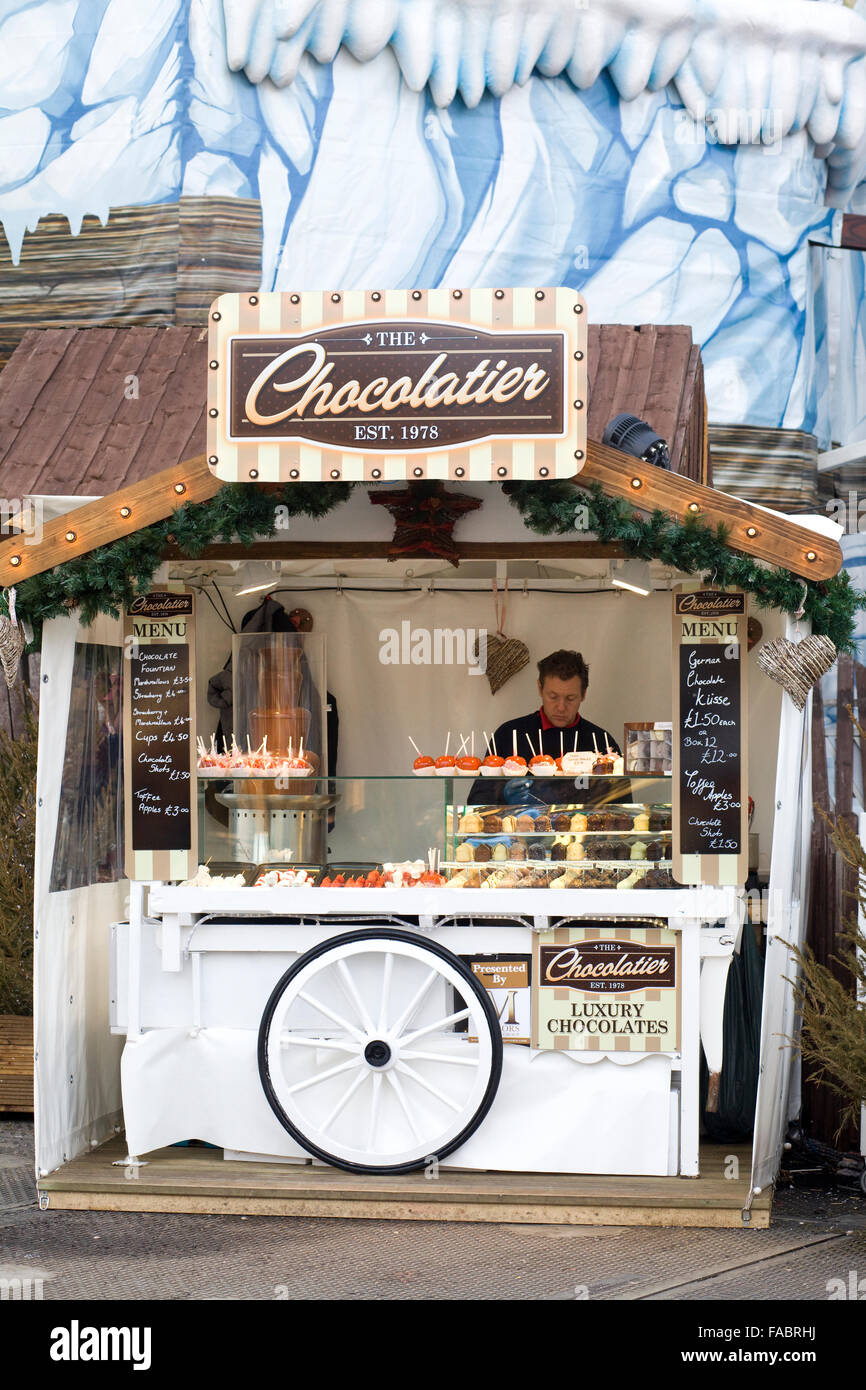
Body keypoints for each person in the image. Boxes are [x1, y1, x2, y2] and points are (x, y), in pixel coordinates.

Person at [469, 649, 626, 806]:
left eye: (570, 698)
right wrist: (503, 793)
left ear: (583, 694)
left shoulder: (601, 743)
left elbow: (622, 807)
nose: (561, 707)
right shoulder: (510, 734)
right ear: (540, 688)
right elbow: (477, 801)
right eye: (553, 697)